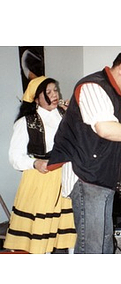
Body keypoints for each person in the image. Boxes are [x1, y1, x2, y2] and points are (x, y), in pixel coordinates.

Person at [47, 48, 121, 254]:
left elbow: (120, 138)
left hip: (103, 180)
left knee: (104, 244)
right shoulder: (93, 86)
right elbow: (105, 129)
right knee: (92, 247)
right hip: (88, 178)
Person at [4, 76, 77, 254]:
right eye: (48, 92)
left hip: (65, 178)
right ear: (36, 98)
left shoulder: (65, 115)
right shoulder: (26, 122)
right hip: (40, 181)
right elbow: (14, 156)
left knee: (66, 233)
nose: (54, 95)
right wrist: (35, 163)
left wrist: (74, 114)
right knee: (40, 234)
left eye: (55, 90)